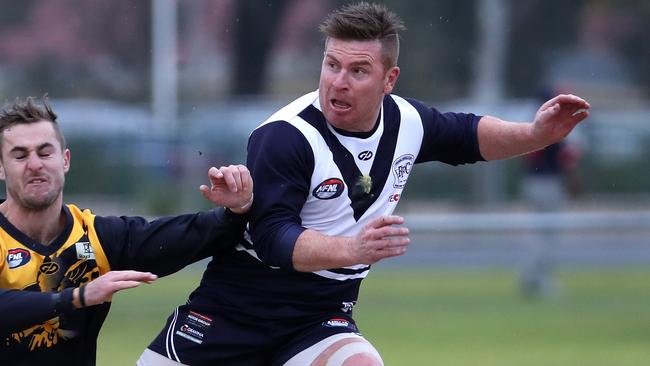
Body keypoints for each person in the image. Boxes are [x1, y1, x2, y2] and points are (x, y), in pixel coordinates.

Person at [141, 2, 590, 365]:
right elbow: (274, 238)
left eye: (357, 71)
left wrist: (534, 135)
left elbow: (467, 136)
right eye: (331, 64)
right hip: (234, 313)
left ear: (388, 79)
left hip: (317, 316)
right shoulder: (286, 137)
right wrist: (354, 249)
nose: (338, 82)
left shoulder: (406, 121)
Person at [0, 96, 253, 366]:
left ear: (65, 160)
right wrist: (77, 296)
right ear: (1, 167)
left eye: (45, 152)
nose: (35, 164)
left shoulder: (93, 236)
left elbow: (183, 236)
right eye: (20, 155)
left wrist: (236, 209)